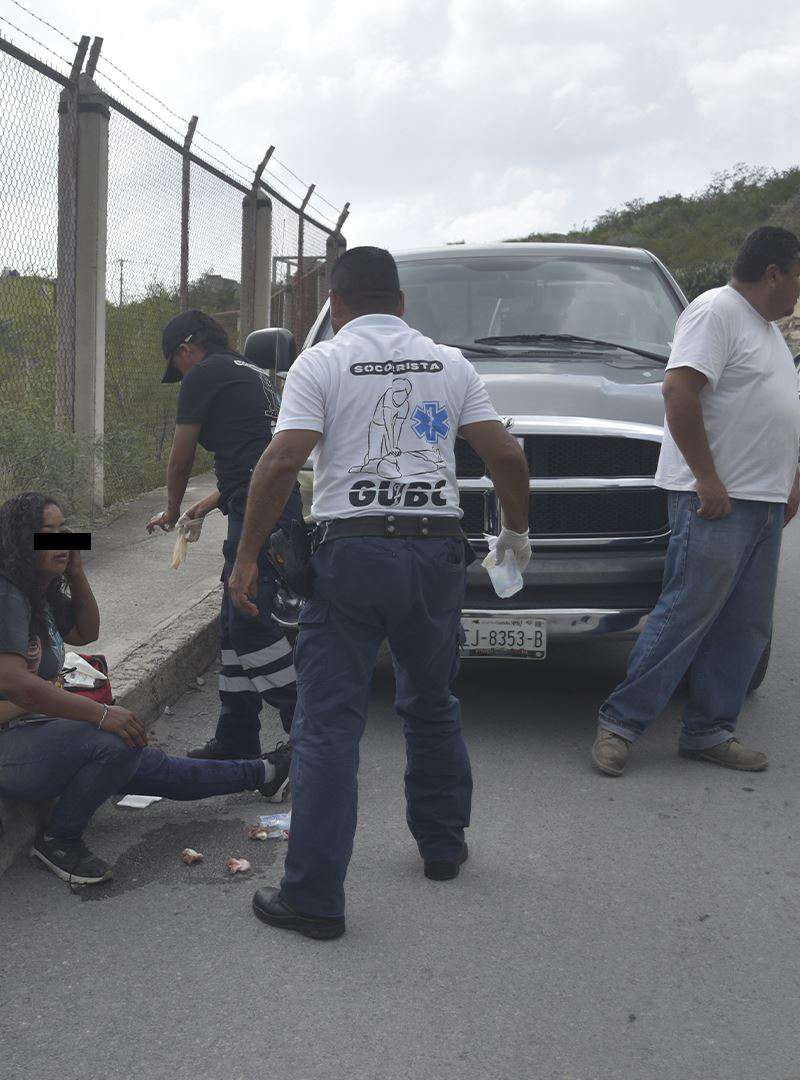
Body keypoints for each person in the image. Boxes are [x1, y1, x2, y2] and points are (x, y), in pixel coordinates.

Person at [224, 247, 532, 940]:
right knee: (431, 700)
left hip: (354, 553)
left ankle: (313, 897)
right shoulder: (449, 363)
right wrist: (515, 532)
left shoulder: (324, 362)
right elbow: (506, 456)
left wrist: (246, 557)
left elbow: (281, 461)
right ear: (400, 303)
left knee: (329, 724)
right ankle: (443, 844)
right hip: (434, 552)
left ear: (335, 305)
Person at [0, 492, 292, 886]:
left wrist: (75, 573)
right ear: (22, 541)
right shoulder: (0, 595)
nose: (62, 540)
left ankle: (264, 773)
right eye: (48, 533)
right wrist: (103, 715)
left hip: (33, 731)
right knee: (115, 745)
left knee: (150, 764)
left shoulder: (35, 590)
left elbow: (85, 632)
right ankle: (59, 840)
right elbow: (12, 682)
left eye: (64, 530)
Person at [589, 226, 800, 778]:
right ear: (775, 272)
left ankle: (709, 731)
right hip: (715, 501)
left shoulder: (766, 330)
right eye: (799, 275)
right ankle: (620, 726)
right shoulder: (716, 311)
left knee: (747, 625)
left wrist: (791, 475)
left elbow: (769, 407)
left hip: (760, 500)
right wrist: (707, 479)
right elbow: (678, 392)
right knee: (686, 613)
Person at [147, 310, 305, 761]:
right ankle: (237, 733)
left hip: (259, 514)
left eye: (176, 365)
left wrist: (173, 508)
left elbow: (179, 460)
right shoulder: (255, 374)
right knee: (233, 629)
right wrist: (211, 501)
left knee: (249, 622)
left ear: (186, 350)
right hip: (269, 503)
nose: (179, 376)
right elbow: (257, 452)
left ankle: (307, 730)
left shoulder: (203, 375)